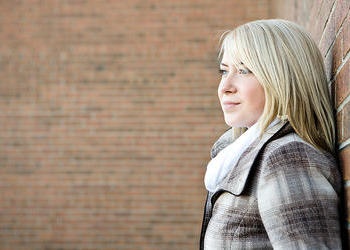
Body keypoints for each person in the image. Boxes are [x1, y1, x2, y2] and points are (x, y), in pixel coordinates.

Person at [200, 19, 342, 249]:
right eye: (224, 71)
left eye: (244, 70)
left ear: (282, 77)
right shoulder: (233, 154)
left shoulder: (288, 157)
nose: (224, 86)